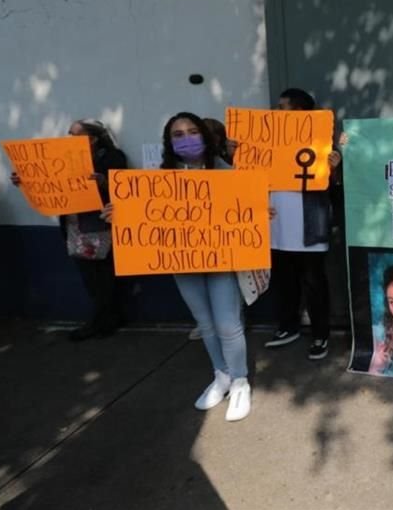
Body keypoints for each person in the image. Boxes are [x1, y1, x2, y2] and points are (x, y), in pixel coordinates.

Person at [103, 112, 252, 421]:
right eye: (178, 134)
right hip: (183, 262)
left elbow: (246, 209)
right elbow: (143, 214)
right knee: (205, 323)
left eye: (192, 131)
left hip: (222, 260)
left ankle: (240, 381)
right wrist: (120, 215)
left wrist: (260, 214)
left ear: (205, 136)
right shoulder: (158, 179)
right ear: (169, 143)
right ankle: (221, 374)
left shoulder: (230, 172)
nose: (186, 138)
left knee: (227, 323)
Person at [11, 119, 128, 341]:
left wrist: (103, 182)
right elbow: (47, 179)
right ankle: (108, 318)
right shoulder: (62, 159)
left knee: (102, 276)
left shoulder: (112, 157)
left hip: (99, 225)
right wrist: (25, 180)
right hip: (74, 225)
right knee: (89, 276)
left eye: (76, 135)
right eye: (69, 134)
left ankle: (102, 321)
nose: (70, 139)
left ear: (92, 139)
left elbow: (122, 187)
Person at [263, 88, 338, 359]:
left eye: (283, 107)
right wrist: (236, 153)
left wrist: (334, 168)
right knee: (284, 282)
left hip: (310, 225)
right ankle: (288, 326)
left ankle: (320, 334)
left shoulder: (322, 144)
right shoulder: (268, 141)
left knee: (314, 283)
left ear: (299, 112)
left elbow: (332, 186)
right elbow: (248, 172)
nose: (277, 112)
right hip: (277, 224)